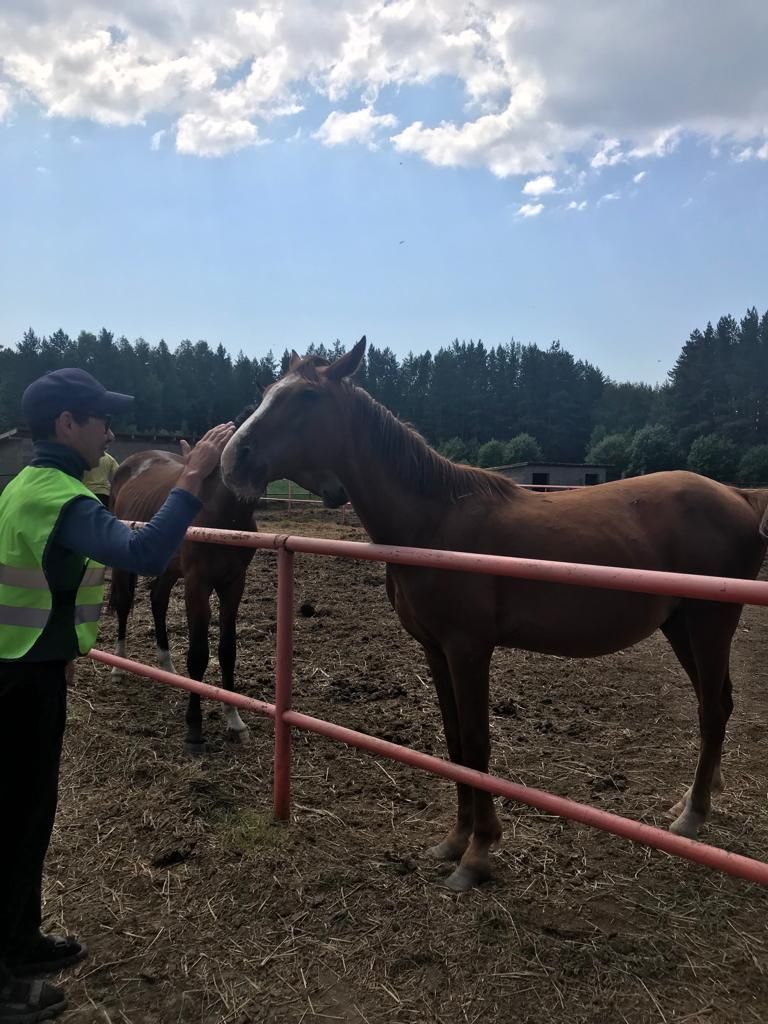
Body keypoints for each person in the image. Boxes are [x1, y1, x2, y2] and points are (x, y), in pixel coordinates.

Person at [0, 367, 234, 1023]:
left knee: (28, 818)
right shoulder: (58, 498)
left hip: (26, 669)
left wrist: (60, 650)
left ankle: (20, 941)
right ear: (65, 425)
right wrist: (192, 478)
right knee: (14, 824)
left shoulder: (27, 485)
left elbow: (35, 580)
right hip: (17, 683)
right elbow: (147, 553)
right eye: (97, 416)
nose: (109, 427)